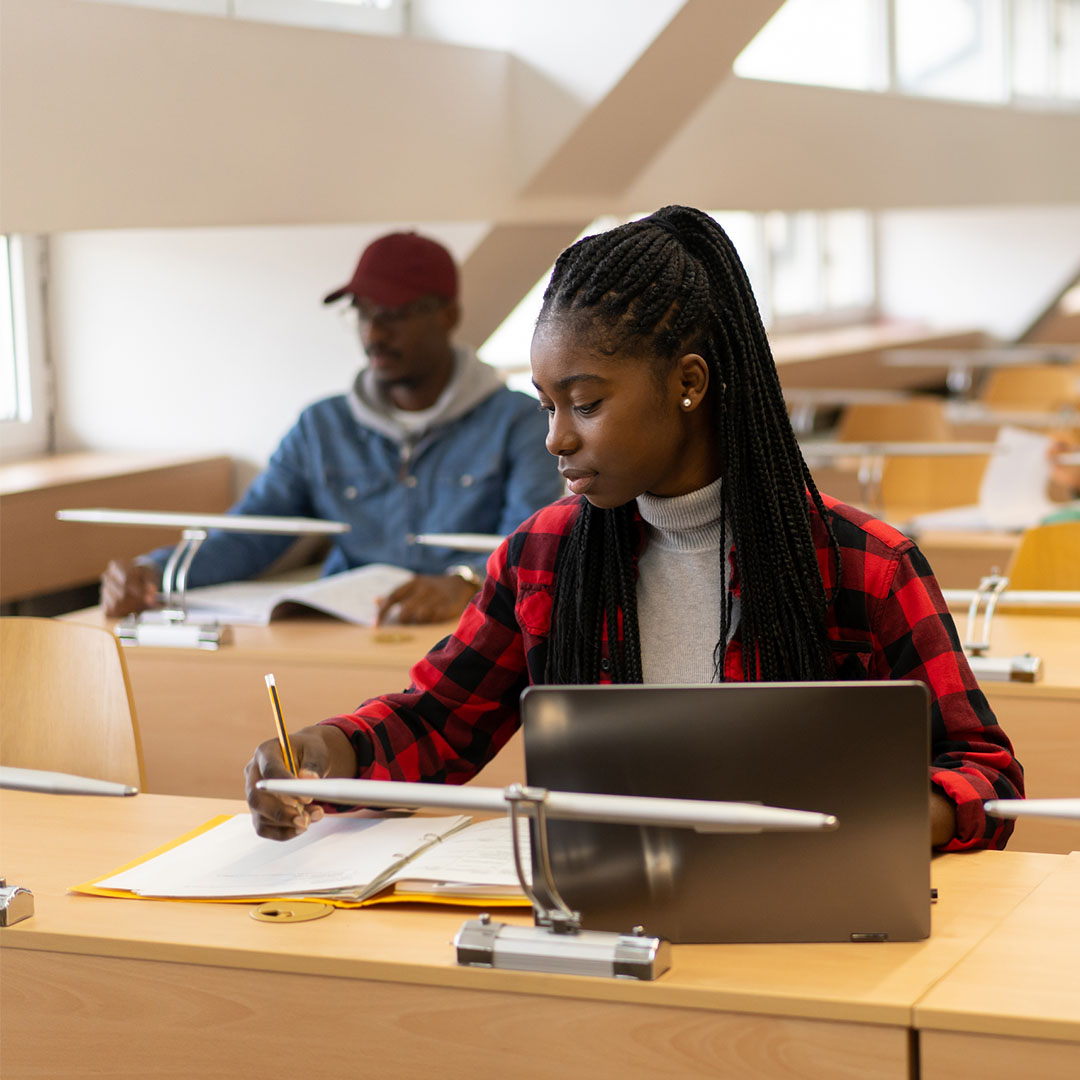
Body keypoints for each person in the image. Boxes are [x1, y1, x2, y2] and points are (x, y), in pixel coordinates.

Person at [246, 206, 1023, 850]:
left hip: (806, 931)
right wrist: (323, 752)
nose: (555, 437)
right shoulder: (541, 558)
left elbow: (986, 774)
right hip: (608, 928)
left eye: (584, 404)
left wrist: (871, 826)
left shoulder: (867, 566)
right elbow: (438, 723)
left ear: (688, 383)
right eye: (546, 405)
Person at [101, 231, 563, 625]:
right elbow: (250, 532)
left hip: (465, 639)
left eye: (392, 315)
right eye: (362, 314)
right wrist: (154, 572)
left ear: (447, 316)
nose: (372, 335)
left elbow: (528, 548)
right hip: (344, 634)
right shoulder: (321, 426)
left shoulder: (520, 422)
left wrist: (463, 582)